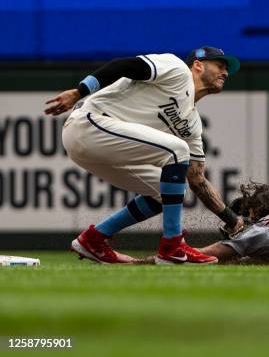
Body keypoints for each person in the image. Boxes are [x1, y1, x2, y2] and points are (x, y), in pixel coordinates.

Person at [44, 46, 244, 265]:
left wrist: (232, 220)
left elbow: (196, 179)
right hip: (88, 123)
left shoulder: (192, 125)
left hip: (99, 145)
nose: (225, 72)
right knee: (178, 151)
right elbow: (122, 65)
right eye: (220, 65)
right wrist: (79, 91)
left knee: (164, 192)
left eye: (226, 69)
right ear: (197, 65)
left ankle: (94, 239)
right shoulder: (176, 69)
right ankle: (172, 245)